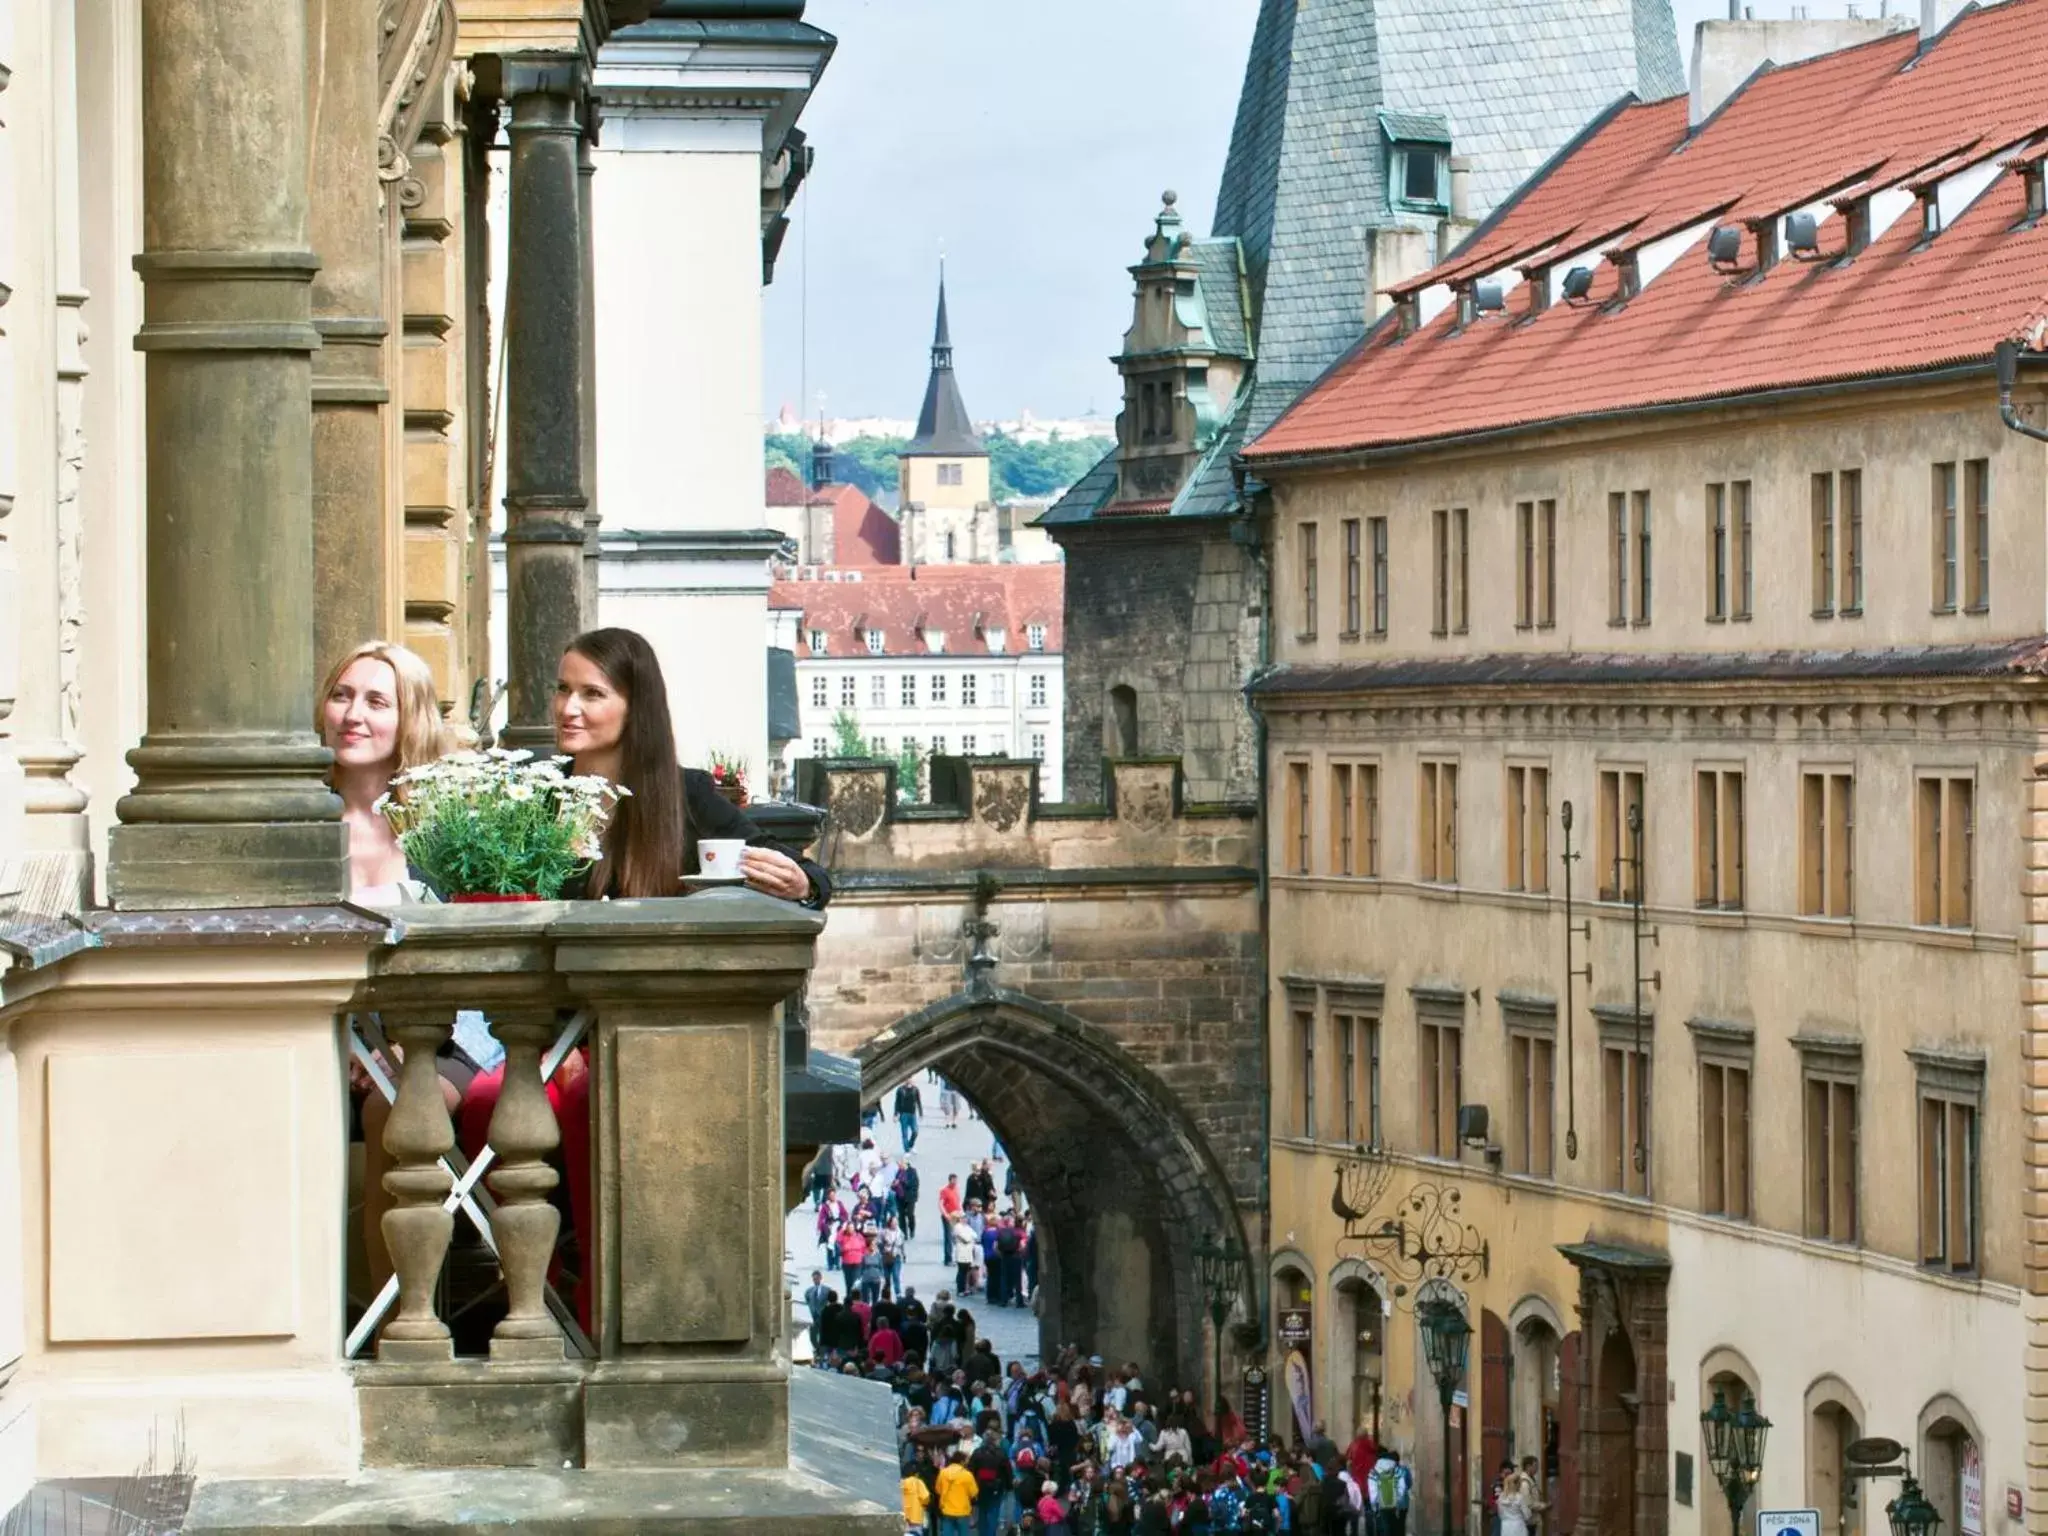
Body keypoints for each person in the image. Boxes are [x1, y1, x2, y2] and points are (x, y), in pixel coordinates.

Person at [553, 628, 827, 904]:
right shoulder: (533, 796)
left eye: (592, 694)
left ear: (636, 707)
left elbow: (807, 874)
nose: (567, 709)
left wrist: (804, 885)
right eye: (563, 689)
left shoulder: (686, 795)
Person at [318, 639, 450, 904]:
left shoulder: (446, 830)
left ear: (412, 720)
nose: (352, 715)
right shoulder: (298, 820)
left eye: (376, 702)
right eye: (340, 696)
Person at [937, 1448, 979, 1536]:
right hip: (962, 1511)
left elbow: (938, 1489)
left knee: (947, 1533)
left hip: (947, 1509)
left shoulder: (943, 1473)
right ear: (962, 1461)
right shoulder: (967, 1475)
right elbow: (974, 1493)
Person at [803, 1270, 832, 1350]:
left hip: (823, 1317)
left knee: (823, 1336)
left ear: (820, 1278)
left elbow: (831, 1301)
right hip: (814, 1317)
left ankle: (823, 1351)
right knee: (813, 1337)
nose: (815, 1280)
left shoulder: (827, 1290)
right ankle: (818, 1349)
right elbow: (807, 1301)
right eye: (814, 1279)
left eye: (817, 1278)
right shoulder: (809, 1291)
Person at [938, 1174, 964, 1265]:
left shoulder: (956, 1189)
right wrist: (945, 1215)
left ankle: (959, 1257)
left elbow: (958, 1201)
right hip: (949, 1216)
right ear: (949, 1180)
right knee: (948, 1237)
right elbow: (941, 1204)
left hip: (957, 1215)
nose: (955, 1182)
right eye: (953, 1180)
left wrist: (961, 1212)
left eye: (956, 1180)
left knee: (957, 1237)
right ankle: (948, 1259)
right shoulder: (944, 1191)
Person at [904, 1463, 934, 1535]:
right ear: (916, 1474)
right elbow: (926, 1497)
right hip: (916, 1517)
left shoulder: (901, 1483)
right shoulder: (918, 1482)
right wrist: (925, 1504)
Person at [896, 1079, 925, 1150]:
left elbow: (918, 1102)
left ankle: (910, 1144)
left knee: (915, 1131)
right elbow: (897, 1102)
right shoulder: (900, 1089)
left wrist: (921, 1113)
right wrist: (896, 1114)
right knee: (904, 1133)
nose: (909, 1080)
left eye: (910, 1079)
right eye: (907, 1079)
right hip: (903, 1114)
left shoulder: (915, 1089)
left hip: (912, 1113)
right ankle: (906, 1150)